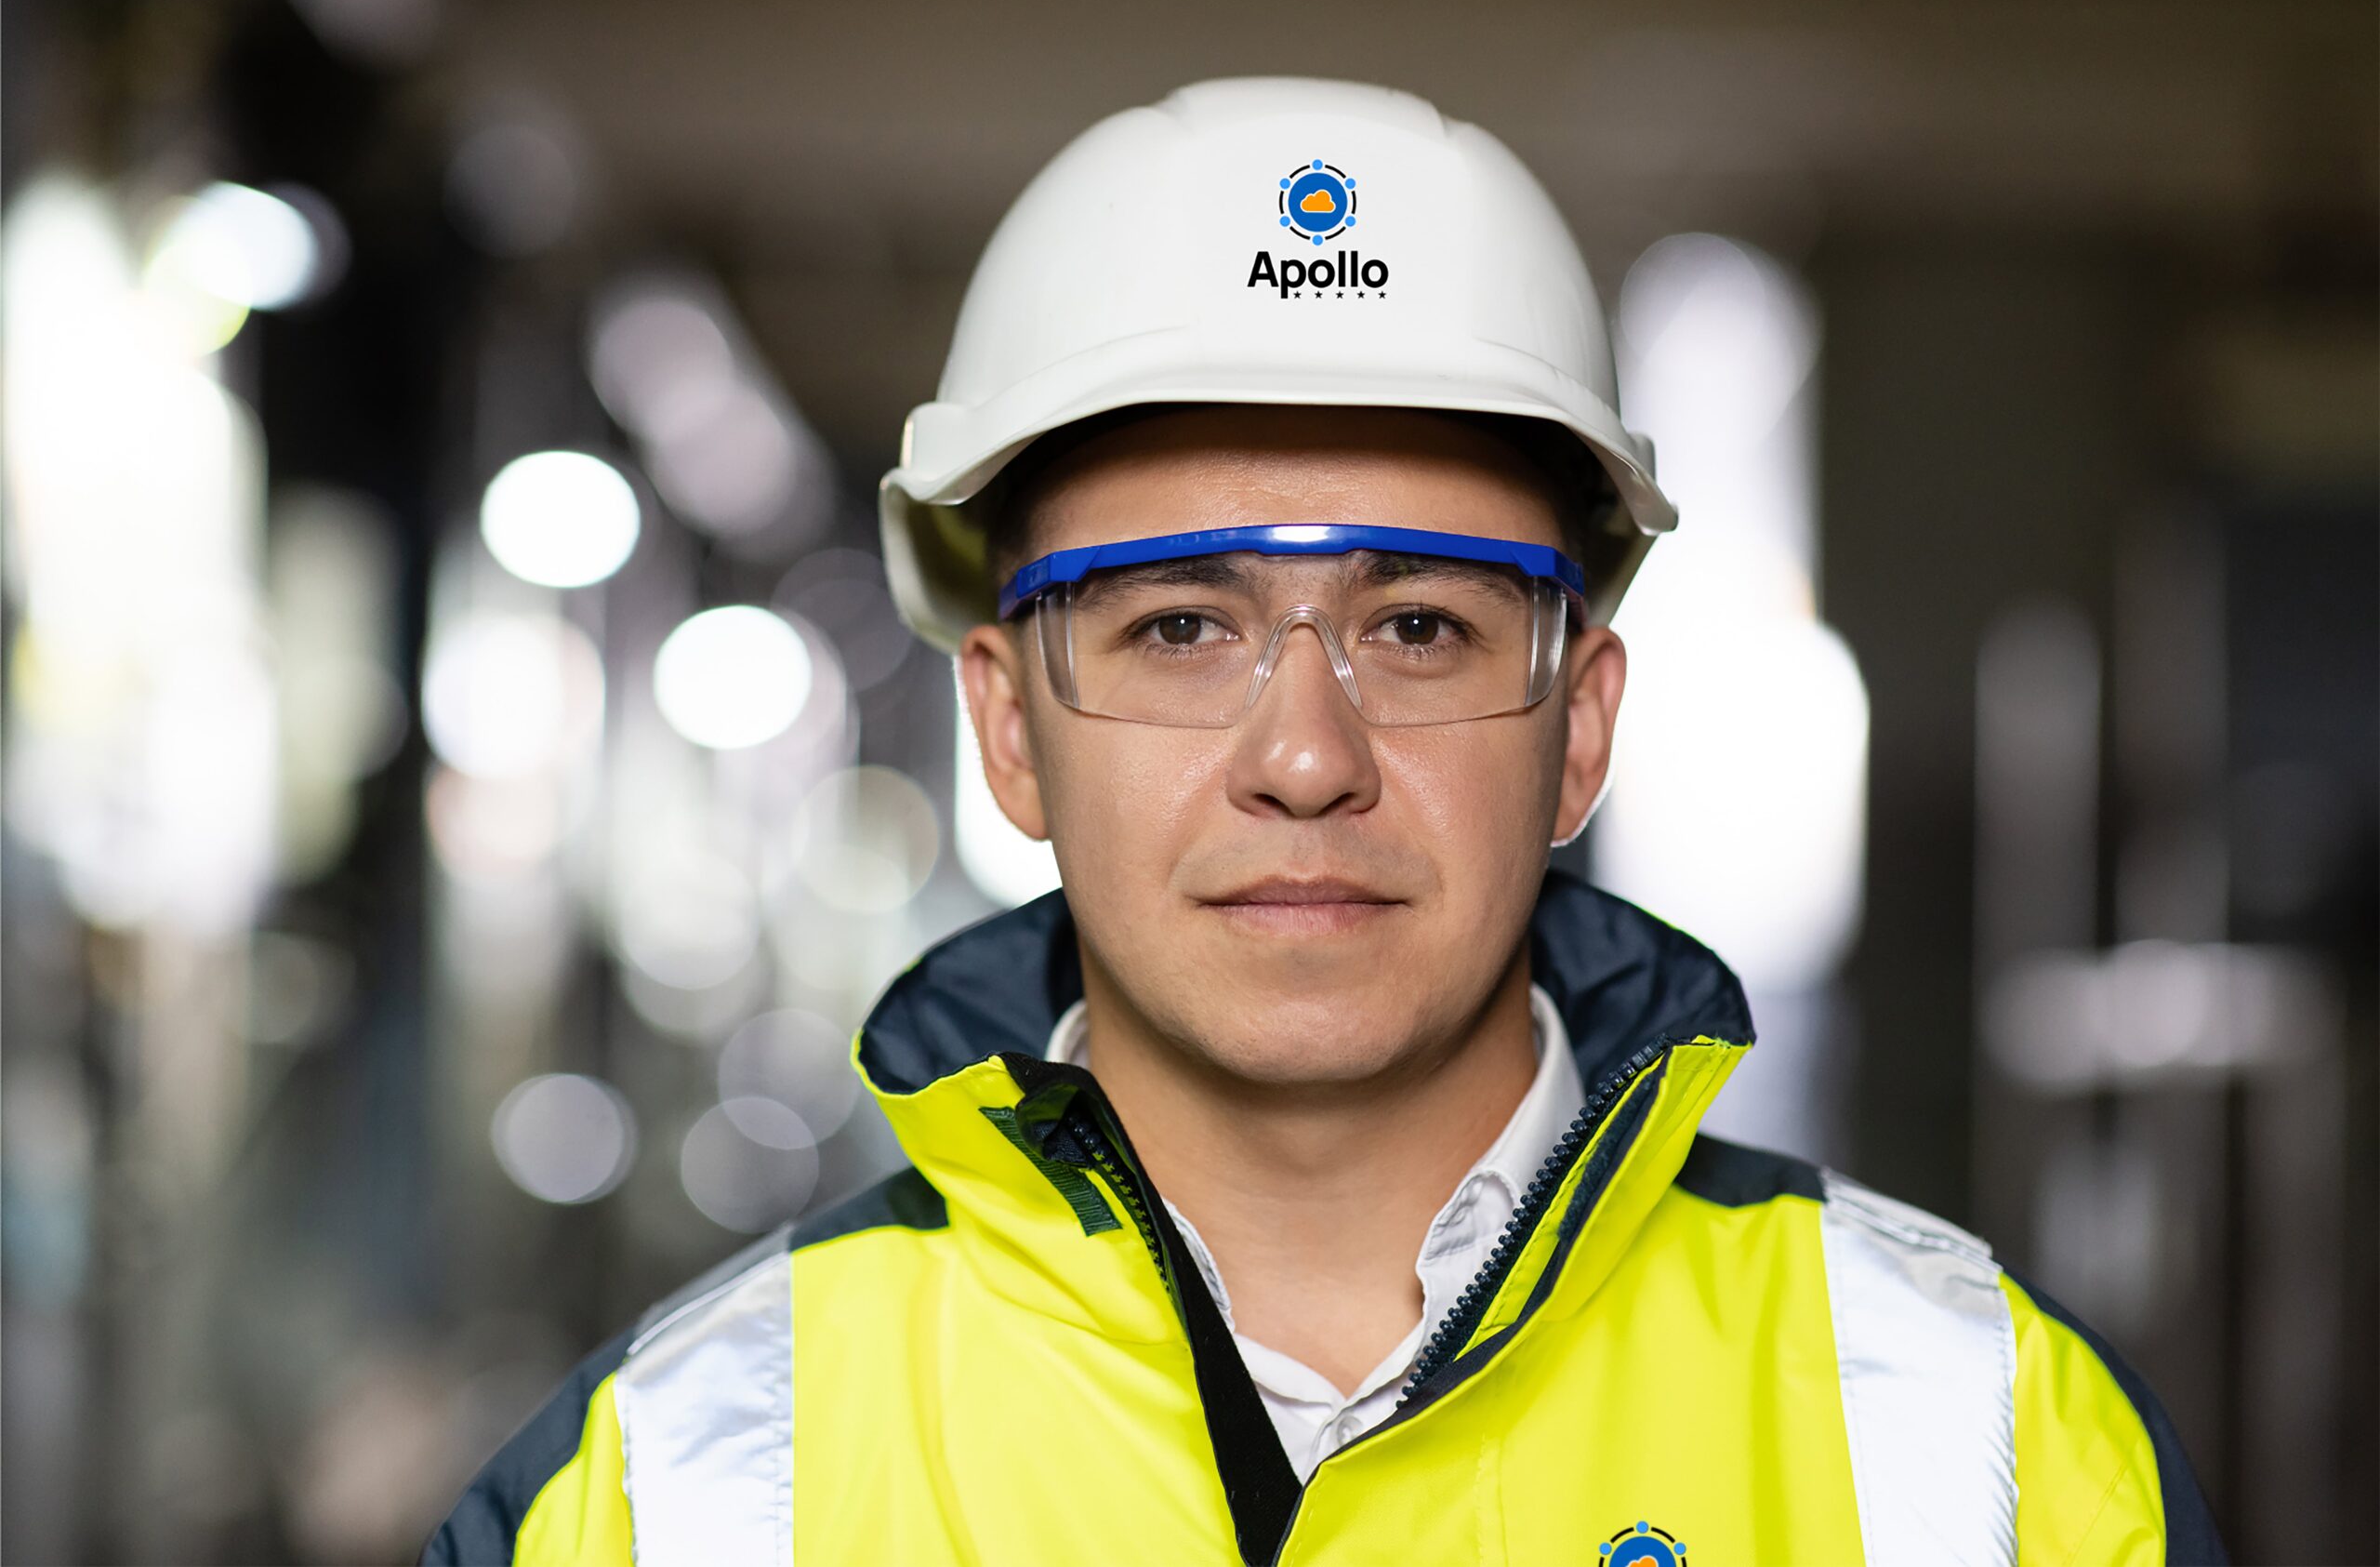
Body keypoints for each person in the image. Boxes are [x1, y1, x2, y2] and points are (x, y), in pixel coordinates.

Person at [424, 76, 2224, 1567]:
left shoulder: (1978, 1439)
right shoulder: (673, 1486)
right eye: (1179, 626)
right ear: (1008, 727)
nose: (1303, 755)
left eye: (1419, 627)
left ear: (1579, 725)